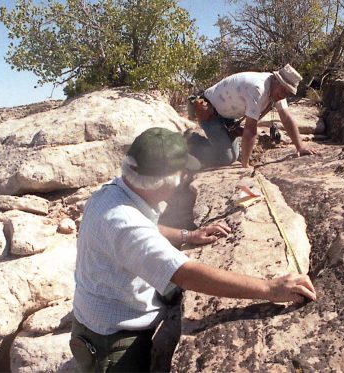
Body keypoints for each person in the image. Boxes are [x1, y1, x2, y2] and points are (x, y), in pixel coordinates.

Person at [70, 127, 317, 372]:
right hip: (112, 341)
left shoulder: (114, 192)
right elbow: (186, 274)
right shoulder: (124, 223)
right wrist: (269, 289)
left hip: (102, 320)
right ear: (164, 183)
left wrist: (188, 235)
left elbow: (145, 229)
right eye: (182, 173)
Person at [188, 64, 317, 168]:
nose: (284, 95)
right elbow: (250, 129)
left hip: (227, 117)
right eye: (284, 89)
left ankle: (204, 143)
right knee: (225, 158)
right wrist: (245, 165)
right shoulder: (257, 88)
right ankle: (189, 142)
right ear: (277, 80)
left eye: (288, 93)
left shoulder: (276, 90)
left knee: (233, 155)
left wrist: (300, 147)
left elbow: (287, 118)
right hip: (210, 112)